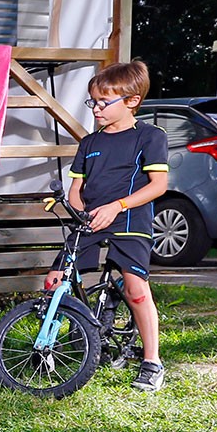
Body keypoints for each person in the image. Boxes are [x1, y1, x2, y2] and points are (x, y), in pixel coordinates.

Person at [47, 61, 169, 392]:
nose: (96, 108)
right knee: (55, 280)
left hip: (130, 219)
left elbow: (158, 185)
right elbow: (76, 188)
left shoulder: (150, 137)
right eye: (93, 101)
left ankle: (152, 361)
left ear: (132, 101)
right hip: (92, 221)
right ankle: (57, 342)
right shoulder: (89, 143)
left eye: (104, 102)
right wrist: (80, 212)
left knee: (136, 289)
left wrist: (117, 206)